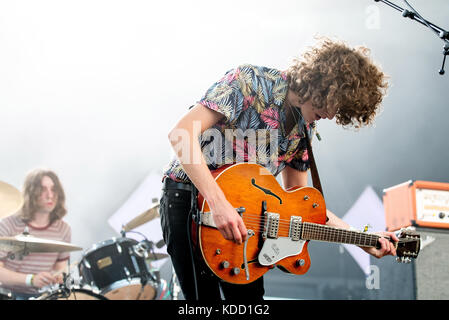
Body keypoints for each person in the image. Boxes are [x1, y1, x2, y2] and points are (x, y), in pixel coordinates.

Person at [160, 37, 397, 301]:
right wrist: (219, 203)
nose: (332, 115)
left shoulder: (304, 129)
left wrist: (360, 238)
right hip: (190, 200)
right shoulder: (249, 81)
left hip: (245, 221)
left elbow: (301, 203)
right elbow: (181, 134)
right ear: (323, 84)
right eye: (335, 103)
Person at [0, 169, 71, 300]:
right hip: (10, 295)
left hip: (45, 295)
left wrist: (58, 277)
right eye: (43, 190)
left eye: (53, 189)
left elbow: (61, 268)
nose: (50, 195)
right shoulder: (9, 224)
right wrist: (31, 279)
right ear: (31, 193)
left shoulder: (63, 229)